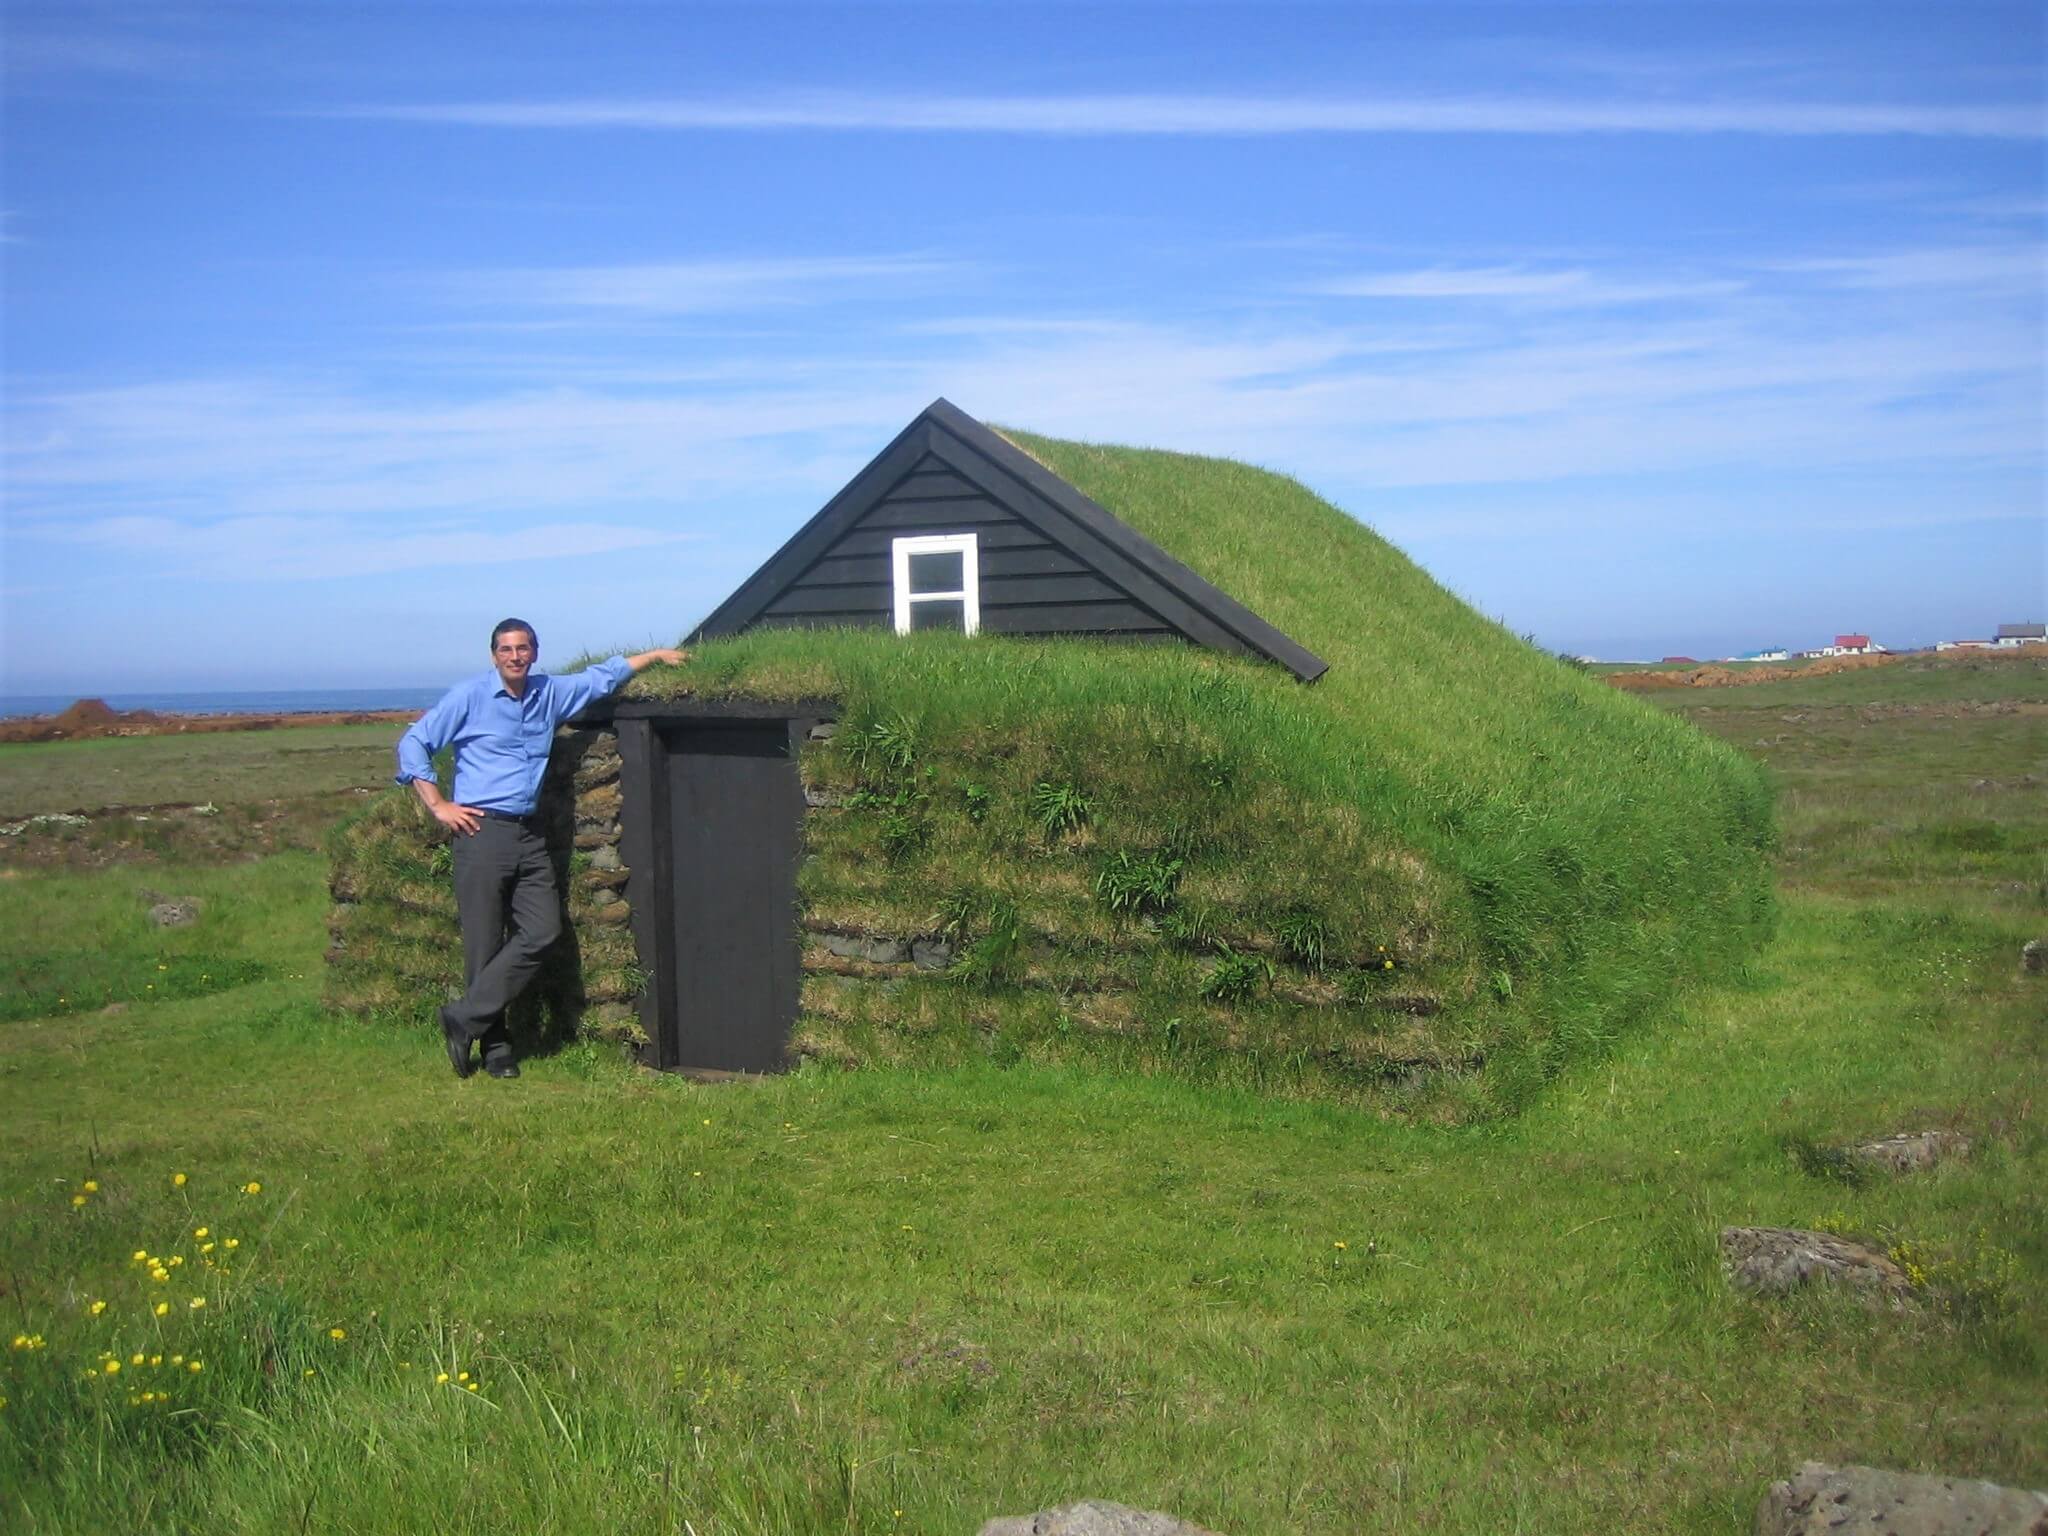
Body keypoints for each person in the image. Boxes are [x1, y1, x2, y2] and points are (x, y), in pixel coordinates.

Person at [396, 619, 687, 1079]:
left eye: (523, 648)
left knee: (543, 930)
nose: (515, 656)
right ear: (493, 655)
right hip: (480, 831)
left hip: (528, 835)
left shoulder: (548, 693)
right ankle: (495, 1048)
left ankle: (463, 1016)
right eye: (506, 649)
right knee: (484, 943)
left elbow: (600, 678)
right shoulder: (470, 697)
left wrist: (652, 657)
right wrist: (438, 805)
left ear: (534, 652)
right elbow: (415, 743)